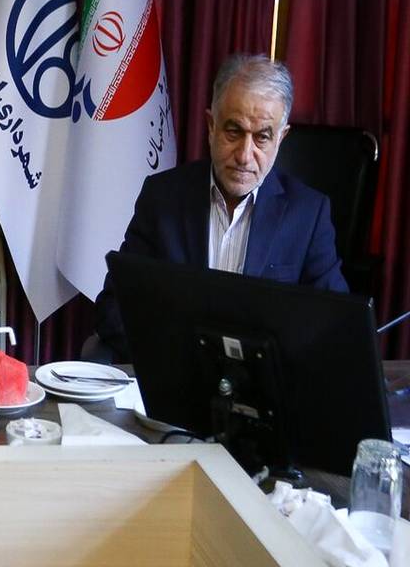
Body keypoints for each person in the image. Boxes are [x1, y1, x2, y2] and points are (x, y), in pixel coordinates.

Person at [92, 54, 347, 362]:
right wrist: (181, 358)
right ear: (211, 126)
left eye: (262, 137)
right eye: (234, 131)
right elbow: (115, 308)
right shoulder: (162, 199)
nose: (244, 155)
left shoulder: (308, 215)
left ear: (281, 138)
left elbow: (334, 326)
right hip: (177, 373)